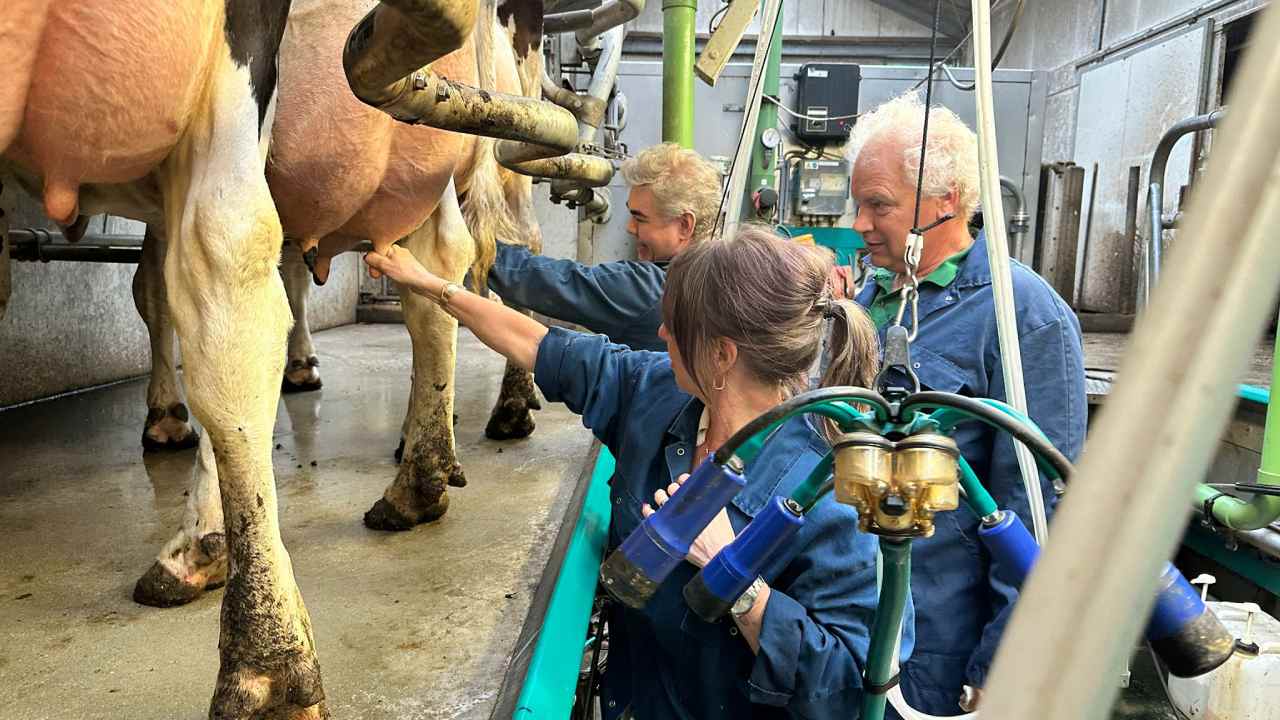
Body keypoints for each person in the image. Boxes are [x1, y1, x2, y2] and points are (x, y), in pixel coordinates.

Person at [366, 225, 914, 719]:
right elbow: (537, 345)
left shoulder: (836, 491)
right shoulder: (656, 392)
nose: (661, 331)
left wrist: (736, 577)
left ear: (722, 354)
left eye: (673, 326)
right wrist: (430, 283)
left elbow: (847, 688)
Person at [838, 93, 1087, 715]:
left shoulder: (1019, 313)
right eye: (859, 203)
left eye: (879, 205)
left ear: (946, 199)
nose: (860, 224)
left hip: (937, 642)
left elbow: (1036, 508)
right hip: (846, 612)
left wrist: (1000, 667)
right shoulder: (875, 298)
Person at [486, 142, 722, 351]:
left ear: (684, 225)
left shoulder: (650, 291)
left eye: (640, 218)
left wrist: (474, 243)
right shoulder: (722, 277)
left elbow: (552, 282)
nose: (630, 227)